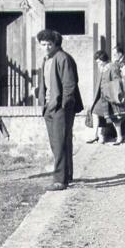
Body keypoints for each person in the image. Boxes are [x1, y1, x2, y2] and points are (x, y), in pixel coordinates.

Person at [37, 29, 84, 191]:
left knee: (60, 143)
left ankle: (59, 180)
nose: (46, 47)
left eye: (49, 44)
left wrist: (64, 106)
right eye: (43, 44)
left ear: (55, 44)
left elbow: (69, 84)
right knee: (58, 143)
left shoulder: (63, 58)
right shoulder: (46, 60)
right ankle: (67, 174)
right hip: (48, 107)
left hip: (60, 108)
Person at [87, 50, 113, 144]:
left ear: (102, 59)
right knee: (101, 115)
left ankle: (96, 135)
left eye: (98, 60)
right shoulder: (102, 68)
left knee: (95, 112)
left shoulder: (109, 67)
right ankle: (101, 136)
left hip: (106, 95)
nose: (97, 62)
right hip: (101, 95)